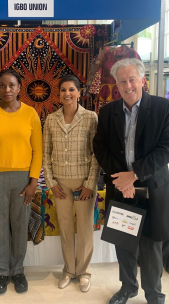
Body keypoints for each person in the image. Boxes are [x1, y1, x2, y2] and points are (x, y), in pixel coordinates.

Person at [93, 58, 169, 304]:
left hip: (152, 188)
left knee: (151, 245)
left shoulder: (163, 108)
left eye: (132, 79)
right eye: (122, 81)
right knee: (124, 242)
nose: (128, 85)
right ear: (116, 85)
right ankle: (128, 288)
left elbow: (168, 149)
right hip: (122, 188)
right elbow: (99, 147)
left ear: (143, 80)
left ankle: (154, 294)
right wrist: (122, 180)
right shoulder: (109, 112)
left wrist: (136, 175)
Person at [0, 69, 42, 295]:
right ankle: (2, 272)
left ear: (19, 87)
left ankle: (19, 270)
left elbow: (38, 150)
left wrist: (33, 181)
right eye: (2, 85)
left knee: (20, 224)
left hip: (23, 178)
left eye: (11, 85)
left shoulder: (31, 114)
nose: (7, 90)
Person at [43, 75, 100, 293]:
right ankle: (69, 270)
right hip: (60, 183)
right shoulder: (51, 119)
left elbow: (96, 154)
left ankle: (84, 272)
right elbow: (46, 153)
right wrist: (50, 182)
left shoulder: (90, 118)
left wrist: (90, 183)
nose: (67, 94)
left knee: (84, 228)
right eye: (64, 90)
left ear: (79, 92)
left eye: (72, 90)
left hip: (82, 183)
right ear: (59, 94)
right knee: (65, 228)